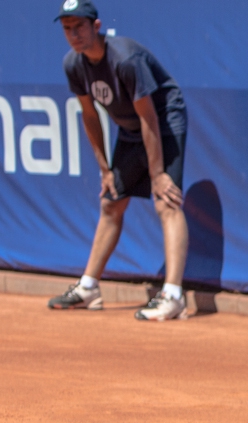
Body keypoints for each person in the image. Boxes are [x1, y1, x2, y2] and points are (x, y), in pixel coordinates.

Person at [48, 0, 190, 321]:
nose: (73, 34)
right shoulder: (73, 64)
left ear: (96, 26)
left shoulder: (125, 59)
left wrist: (157, 174)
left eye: (79, 26)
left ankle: (173, 295)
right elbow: (90, 115)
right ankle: (89, 288)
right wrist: (104, 168)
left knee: (166, 201)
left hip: (163, 122)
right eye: (67, 29)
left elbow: (149, 117)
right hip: (130, 128)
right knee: (111, 202)